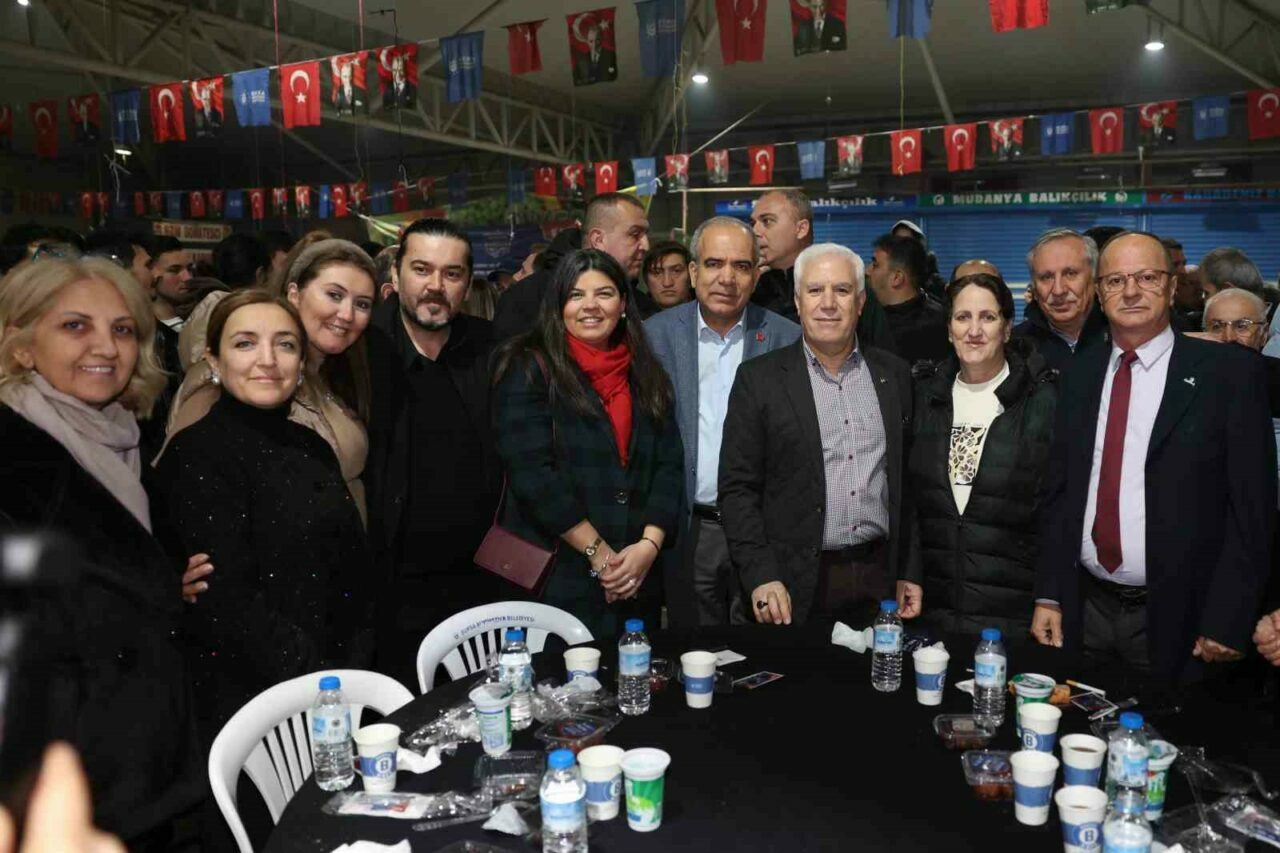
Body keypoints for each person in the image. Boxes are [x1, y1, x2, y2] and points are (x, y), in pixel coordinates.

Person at [0, 258, 205, 849]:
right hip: (66, 786)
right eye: (75, 326)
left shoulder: (120, 439)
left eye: (122, 329)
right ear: (21, 345)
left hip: (140, 762)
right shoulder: (12, 462)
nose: (106, 347)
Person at [1031, 232, 1275, 684]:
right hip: (1086, 610)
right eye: (1116, 280)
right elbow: (1060, 493)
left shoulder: (1228, 375)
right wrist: (1049, 593)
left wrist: (1229, 616)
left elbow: (1252, 509)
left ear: (1172, 285)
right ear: (1099, 293)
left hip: (1185, 618)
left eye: (1146, 277)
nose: (1130, 292)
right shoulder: (1080, 373)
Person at [151, 290, 370, 747]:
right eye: (245, 343)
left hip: (338, 686)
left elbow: (353, 568)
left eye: (285, 344)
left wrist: (354, 674)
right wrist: (318, 683)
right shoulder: (196, 455)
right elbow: (227, 603)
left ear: (301, 362)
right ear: (213, 360)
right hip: (258, 709)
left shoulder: (312, 446)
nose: (267, 360)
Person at [720, 243, 915, 627]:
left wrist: (910, 570)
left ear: (860, 302)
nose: (828, 303)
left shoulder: (893, 376)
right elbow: (737, 489)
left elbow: (908, 485)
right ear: (797, 301)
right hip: (790, 586)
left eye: (841, 290)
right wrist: (760, 575)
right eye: (815, 291)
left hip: (879, 581)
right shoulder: (759, 380)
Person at [491, 249, 682, 638]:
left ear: (623, 304)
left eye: (604, 293)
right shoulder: (528, 366)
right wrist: (600, 555)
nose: (590, 306)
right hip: (559, 574)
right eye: (576, 295)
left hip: (635, 573)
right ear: (558, 305)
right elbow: (534, 476)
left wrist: (648, 546)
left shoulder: (646, 371)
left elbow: (669, 464)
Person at [645, 217, 801, 627]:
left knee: (763, 654)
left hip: (765, 533)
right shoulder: (654, 338)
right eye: (714, 264)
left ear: (756, 276)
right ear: (693, 272)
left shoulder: (787, 338)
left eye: (741, 266)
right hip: (689, 530)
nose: (726, 278)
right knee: (694, 651)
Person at [364, 219, 501, 687]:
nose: (435, 286)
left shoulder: (490, 347)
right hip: (391, 589)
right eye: (422, 269)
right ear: (396, 273)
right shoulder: (364, 350)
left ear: (468, 282)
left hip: (482, 580)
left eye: (452, 273)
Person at [164, 240, 376, 524]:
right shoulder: (233, 380)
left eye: (362, 304)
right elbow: (180, 487)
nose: (347, 314)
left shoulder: (333, 375)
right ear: (294, 294)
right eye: (334, 295)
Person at [901, 272, 1057, 638]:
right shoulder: (922, 396)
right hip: (932, 609)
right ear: (948, 329)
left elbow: (1056, 510)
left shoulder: (1041, 401)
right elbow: (908, 503)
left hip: (1013, 614)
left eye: (987, 317)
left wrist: (1050, 596)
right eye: (962, 317)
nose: (974, 330)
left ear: (1007, 328)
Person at [748, 189, 896, 352]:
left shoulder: (850, 284)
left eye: (767, 221)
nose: (755, 232)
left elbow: (882, 356)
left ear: (801, 229)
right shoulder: (752, 291)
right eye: (753, 223)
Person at [493, 194, 654, 340]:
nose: (646, 245)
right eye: (635, 234)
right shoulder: (527, 300)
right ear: (598, 240)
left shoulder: (645, 309)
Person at [1015, 228, 1110, 374]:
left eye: (1070, 274)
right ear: (1034, 286)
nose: (1058, 290)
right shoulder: (1016, 347)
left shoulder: (1122, 337)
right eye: (1046, 277)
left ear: (1094, 278)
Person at [865, 233, 950, 366]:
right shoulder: (865, 316)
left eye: (875, 265)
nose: (867, 271)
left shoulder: (940, 326)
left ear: (897, 278)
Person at [642, 240, 694, 310]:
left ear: (692, 275)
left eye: (676, 271)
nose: (667, 283)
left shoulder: (706, 311)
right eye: (657, 272)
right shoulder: (631, 313)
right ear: (646, 279)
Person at [573, 21, 617, 85]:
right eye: (591, 41)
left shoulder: (610, 55)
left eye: (597, 40)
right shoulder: (581, 59)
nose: (594, 45)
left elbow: (613, 75)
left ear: (602, 39)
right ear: (587, 41)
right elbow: (576, 79)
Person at [1172, 263, 1205, 333]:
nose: (1199, 288)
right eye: (1192, 283)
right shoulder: (1169, 316)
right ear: (1176, 287)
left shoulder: (1208, 309)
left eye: (1201, 283)